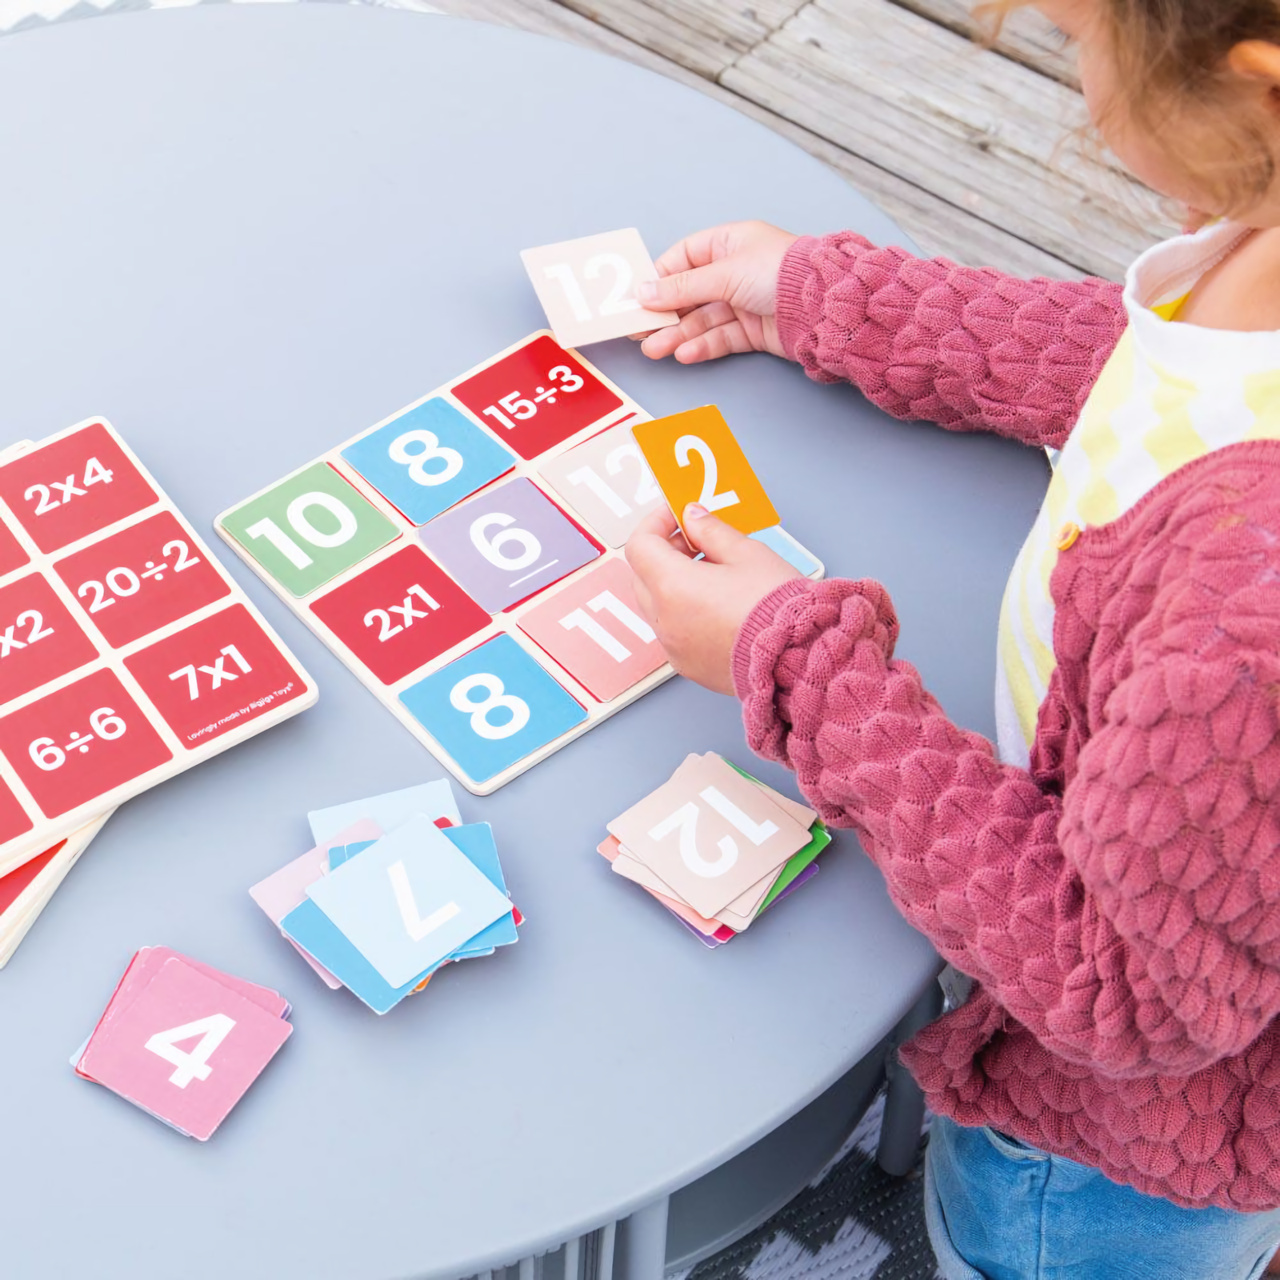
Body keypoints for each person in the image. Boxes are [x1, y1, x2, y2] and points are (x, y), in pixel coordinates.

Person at [622, 0, 1280, 1276]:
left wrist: (794, 663)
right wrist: (830, 300)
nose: (1068, 77)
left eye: (1074, 37)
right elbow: (1150, 376)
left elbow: (1108, 982)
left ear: (1257, 88)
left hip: (1104, 1156)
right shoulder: (1258, 250)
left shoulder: (1242, 638)